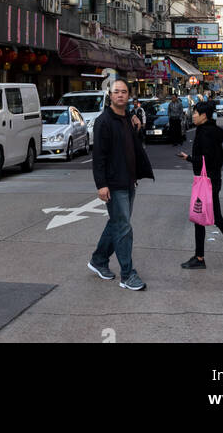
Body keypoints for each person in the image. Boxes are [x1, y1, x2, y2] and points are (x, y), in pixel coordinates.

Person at [87, 78, 154, 292]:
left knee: (117, 223)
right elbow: (99, 157)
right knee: (123, 227)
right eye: (116, 91)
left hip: (129, 181)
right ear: (110, 95)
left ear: (129, 95)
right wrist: (101, 184)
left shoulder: (128, 119)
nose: (120, 95)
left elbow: (133, 149)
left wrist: (138, 128)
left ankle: (98, 260)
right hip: (114, 183)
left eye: (124, 92)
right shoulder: (103, 121)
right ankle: (127, 274)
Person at [178, 100, 223, 271]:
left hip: (207, 181)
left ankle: (205, 257)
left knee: (203, 217)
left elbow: (206, 159)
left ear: (204, 116)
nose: (193, 115)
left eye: (195, 113)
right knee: (205, 218)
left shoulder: (206, 133)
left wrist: (189, 158)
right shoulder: (211, 131)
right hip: (212, 180)